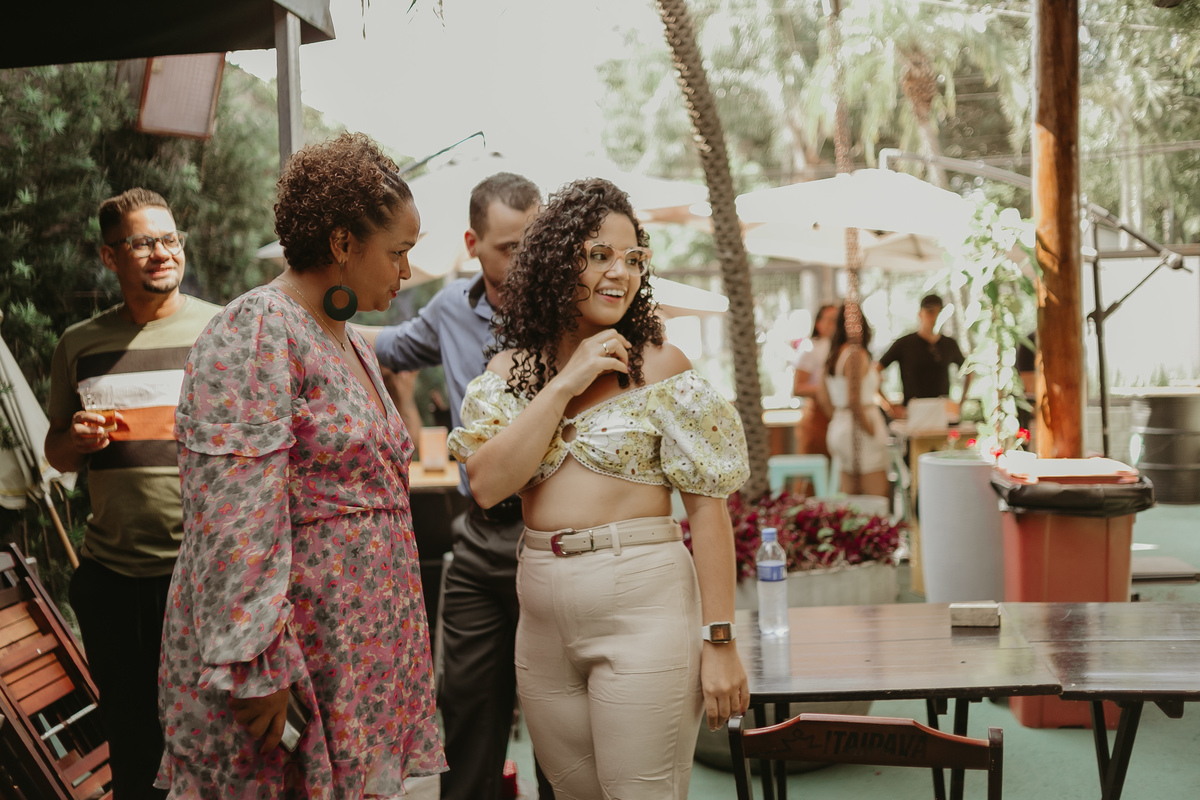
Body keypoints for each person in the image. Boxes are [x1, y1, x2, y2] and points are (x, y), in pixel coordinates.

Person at [156, 132, 445, 797]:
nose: (405, 273)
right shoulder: (258, 328)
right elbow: (233, 512)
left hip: (352, 646)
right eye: (397, 252)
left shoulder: (346, 337)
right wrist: (255, 661)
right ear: (343, 243)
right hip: (293, 656)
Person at [447, 178, 750, 799]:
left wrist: (719, 641)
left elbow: (709, 513)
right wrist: (567, 381)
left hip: (644, 607)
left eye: (633, 258)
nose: (621, 273)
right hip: (542, 617)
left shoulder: (660, 366)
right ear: (558, 262)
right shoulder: (508, 374)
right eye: (600, 255)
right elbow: (487, 485)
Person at [363, 172, 552, 800]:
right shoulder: (448, 309)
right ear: (473, 244)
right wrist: (306, 308)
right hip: (478, 537)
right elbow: (387, 345)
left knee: (558, 725)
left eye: (533, 244)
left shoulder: (565, 309)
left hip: (550, 536)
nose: (524, 260)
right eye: (509, 248)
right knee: (465, 708)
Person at [44, 188, 221, 800]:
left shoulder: (221, 330)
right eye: (143, 243)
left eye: (170, 239)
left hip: (202, 577)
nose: (162, 253)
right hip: (113, 580)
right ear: (109, 256)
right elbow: (56, 453)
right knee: (134, 743)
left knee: (215, 743)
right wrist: (74, 439)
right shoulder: (79, 345)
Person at [819, 304, 891, 499]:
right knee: (877, 497)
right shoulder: (855, 354)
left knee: (850, 498)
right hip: (860, 428)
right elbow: (854, 398)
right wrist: (869, 428)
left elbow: (823, 398)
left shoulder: (834, 355)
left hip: (840, 424)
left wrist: (840, 417)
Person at [877, 293, 967, 414]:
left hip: (942, 412)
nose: (934, 318)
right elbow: (875, 370)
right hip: (912, 412)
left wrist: (961, 403)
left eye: (938, 313)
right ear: (920, 314)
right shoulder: (904, 344)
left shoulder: (949, 344)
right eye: (930, 312)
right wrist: (888, 406)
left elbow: (968, 371)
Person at [792, 303, 838, 457]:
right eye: (830, 320)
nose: (834, 325)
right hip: (817, 418)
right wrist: (826, 390)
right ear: (819, 323)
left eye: (837, 320)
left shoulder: (841, 349)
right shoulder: (809, 348)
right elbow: (798, 387)